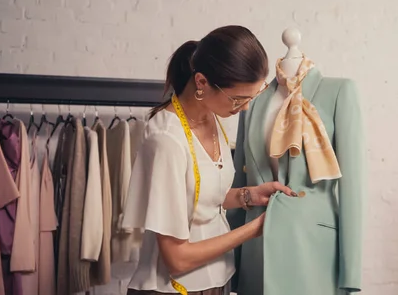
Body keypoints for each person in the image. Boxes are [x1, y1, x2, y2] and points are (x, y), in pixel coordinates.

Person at [122, 25, 296, 295]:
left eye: (252, 96)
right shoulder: (166, 140)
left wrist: (248, 196)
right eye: (238, 98)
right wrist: (255, 229)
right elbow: (177, 259)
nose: (246, 107)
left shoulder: (212, 115)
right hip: (175, 288)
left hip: (218, 281)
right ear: (202, 82)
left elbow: (201, 198)